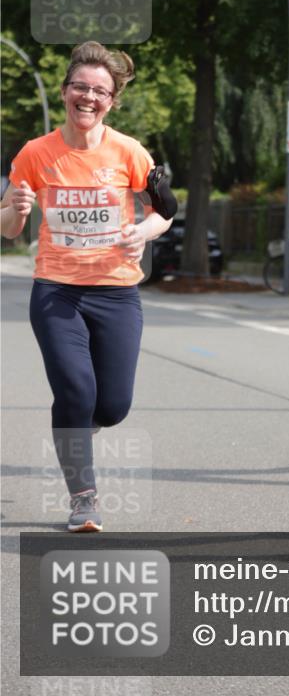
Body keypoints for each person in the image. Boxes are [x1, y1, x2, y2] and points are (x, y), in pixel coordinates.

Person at [1, 41, 174, 532]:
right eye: (81, 86)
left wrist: (142, 231)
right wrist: (13, 211)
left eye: (100, 91)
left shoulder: (128, 152)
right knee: (75, 390)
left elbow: (162, 210)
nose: (89, 97)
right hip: (57, 289)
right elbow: (10, 228)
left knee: (113, 406)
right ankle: (84, 497)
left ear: (112, 101)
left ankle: (76, 426)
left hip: (117, 290)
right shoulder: (36, 153)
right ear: (65, 91)